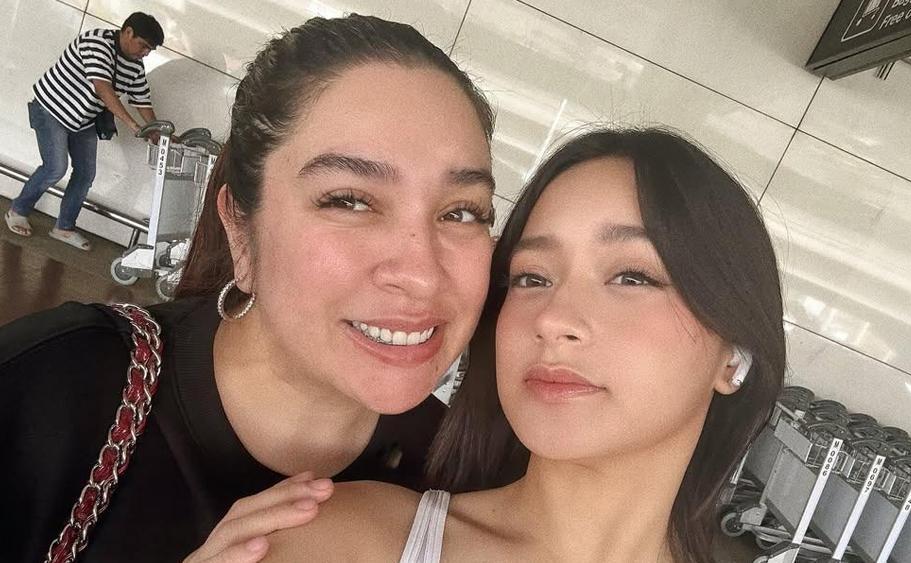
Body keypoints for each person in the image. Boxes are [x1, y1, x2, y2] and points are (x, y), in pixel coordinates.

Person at [0, 14, 496, 563]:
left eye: (463, 212)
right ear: (240, 227)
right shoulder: (50, 387)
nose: (423, 274)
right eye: (350, 201)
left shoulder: (471, 484)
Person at [260, 127, 786, 563]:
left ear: (733, 355)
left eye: (632, 277)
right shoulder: (339, 544)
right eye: (532, 278)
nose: (553, 319)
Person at [4, 12, 167, 251]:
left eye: (149, 50)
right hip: (51, 109)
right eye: (143, 46)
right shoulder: (97, 42)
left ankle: (64, 228)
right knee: (55, 167)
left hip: (82, 120)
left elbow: (142, 100)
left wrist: (158, 132)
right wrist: (132, 125)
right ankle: (18, 211)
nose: (145, 53)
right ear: (128, 32)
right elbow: (102, 88)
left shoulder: (135, 65)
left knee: (85, 174)